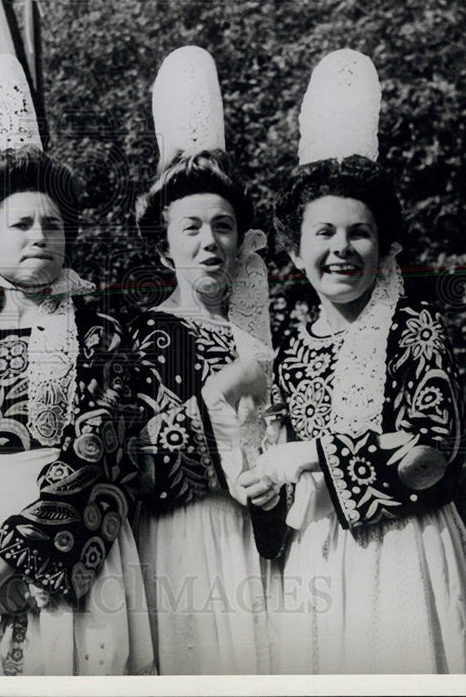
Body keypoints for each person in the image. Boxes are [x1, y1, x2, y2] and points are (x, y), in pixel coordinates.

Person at [248, 49, 466, 673]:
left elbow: (430, 454)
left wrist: (307, 456)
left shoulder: (413, 329)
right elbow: (282, 450)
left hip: (405, 551)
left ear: (385, 246)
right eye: (323, 233)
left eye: (359, 232)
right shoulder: (294, 344)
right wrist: (266, 477)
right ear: (296, 248)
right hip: (315, 555)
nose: (342, 249)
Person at [0, 54, 153, 676]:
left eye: (53, 224)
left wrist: (18, 551)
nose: (39, 235)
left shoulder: (103, 339)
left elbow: (99, 453)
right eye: (20, 224)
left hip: (71, 564)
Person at [128, 47, 284, 674]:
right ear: (165, 249)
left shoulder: (261, 339)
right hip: (182, 545)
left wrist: (273, 489)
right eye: (190, 227)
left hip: (257, 543)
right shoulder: (144, 336)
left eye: (222, 226)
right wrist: (223, 389)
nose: (209, 242)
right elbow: (137, 463)